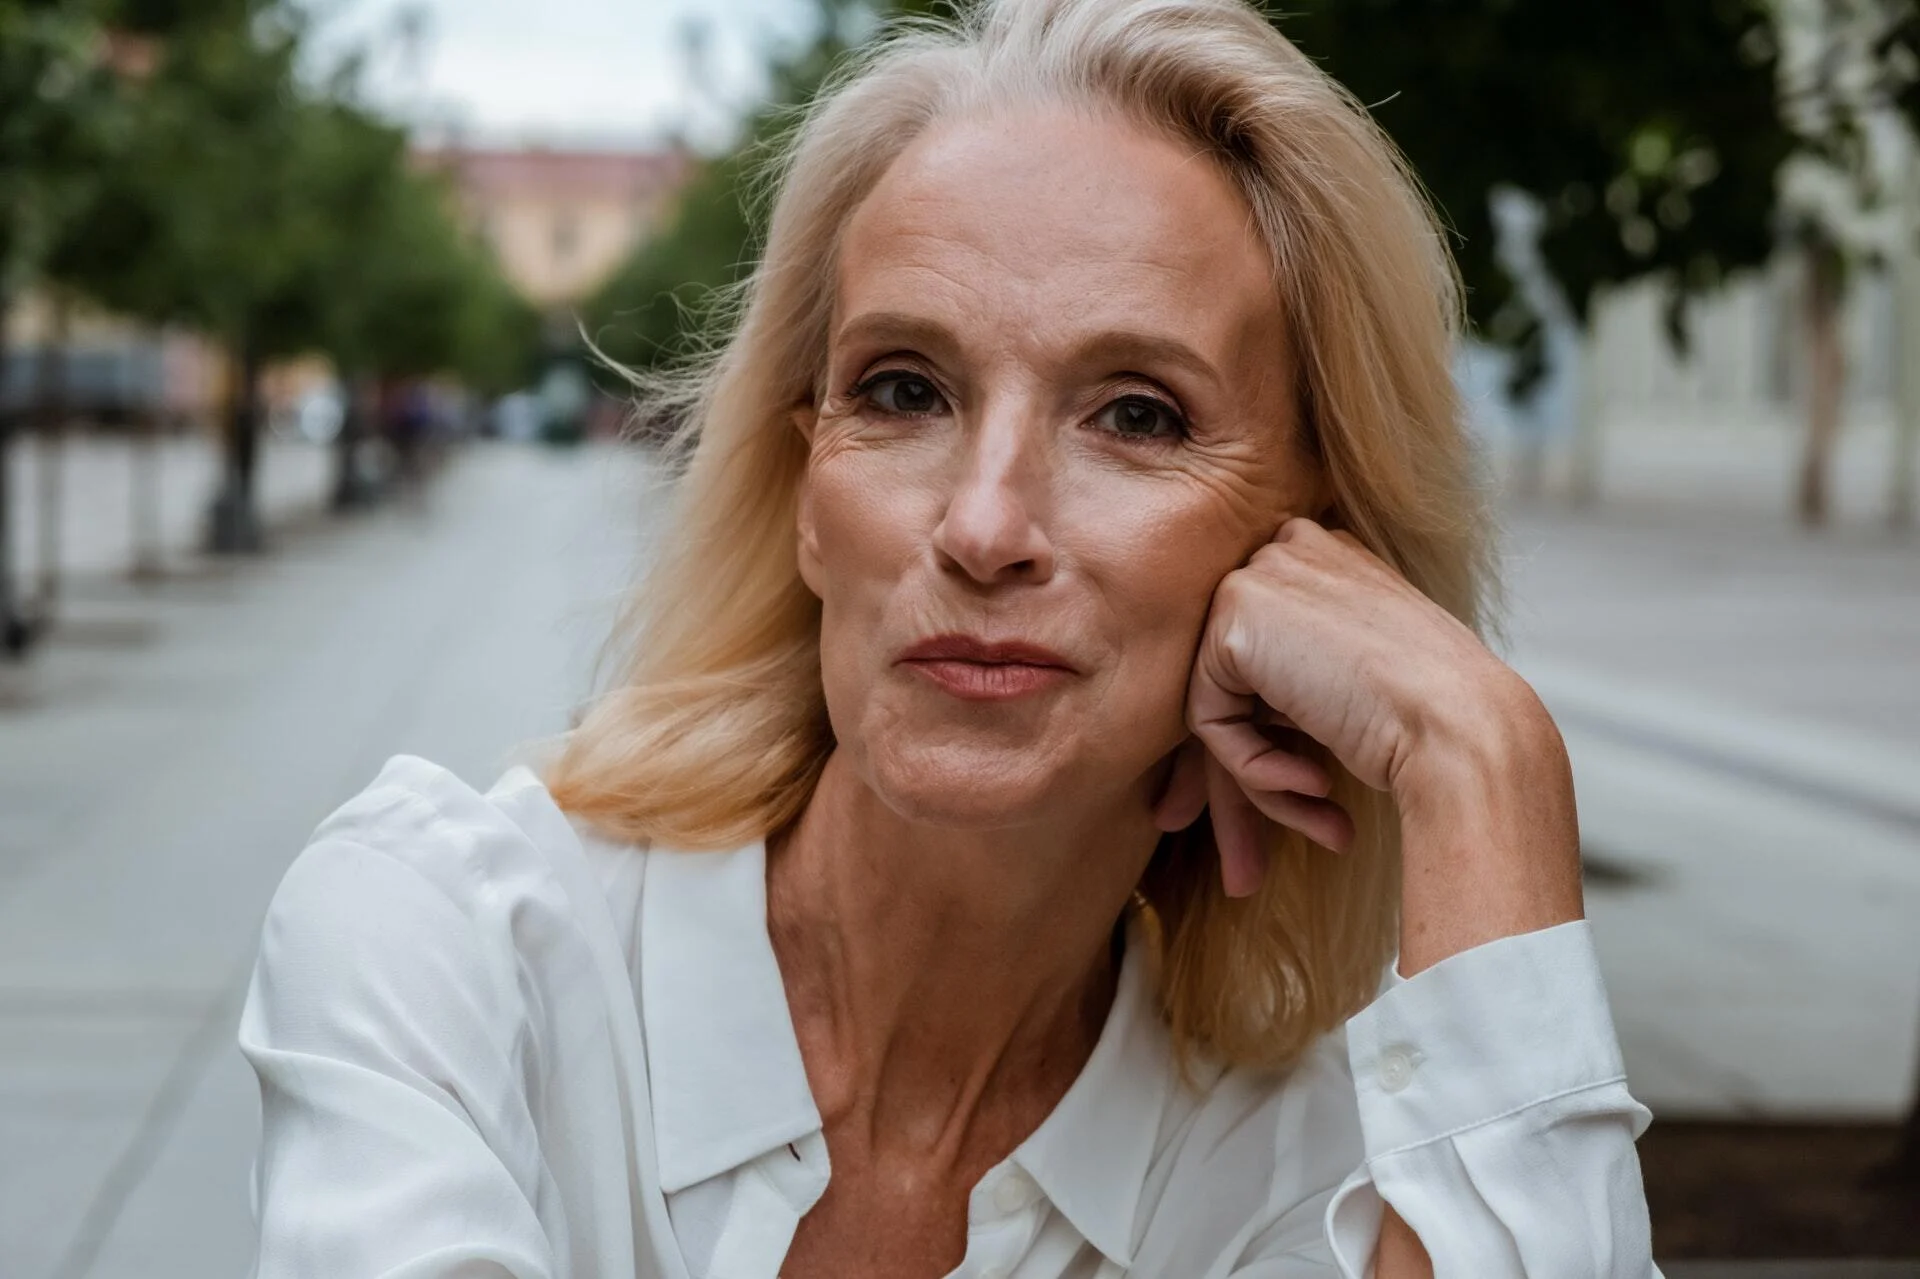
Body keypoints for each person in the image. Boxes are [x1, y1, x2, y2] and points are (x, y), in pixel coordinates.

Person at [238, 0, 1659, 1274]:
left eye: (1138, 414)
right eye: (906, 390)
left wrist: (1482, 764)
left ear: (1312, 559)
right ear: (805, 492)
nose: (984, 525)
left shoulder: (1301, 1174)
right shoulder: (449, 951)